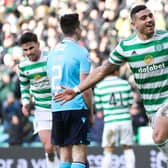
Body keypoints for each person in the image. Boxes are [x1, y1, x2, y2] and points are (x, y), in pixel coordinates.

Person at [54, 4, 168, 164]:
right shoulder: (126, 47)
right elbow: (102, 70)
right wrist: (76, 90)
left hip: (166, 100)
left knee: (158, 136)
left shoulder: (165, 38)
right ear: (133, 24)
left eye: (150, 16)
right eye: (144, 18)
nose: (149, 20)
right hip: (151, 106)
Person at [47, 13, 94, 168]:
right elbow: (85, 87)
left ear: (62, 29)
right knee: (79, 154)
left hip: (57, 107)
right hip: (76, 107)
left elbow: (49, 80)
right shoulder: (81, 52)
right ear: (77, 28)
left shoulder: (51, 53)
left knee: (65, 156)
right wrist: (91, 112)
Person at [18, 31, 59, 168]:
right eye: (25, 50)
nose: (29, 52)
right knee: (49, 148)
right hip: (41, 109)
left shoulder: (51, 58)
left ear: (38, 45)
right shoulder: (22, 66)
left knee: (61, 146)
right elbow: (24, 87)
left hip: (59, 105)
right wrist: (25, 103)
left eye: (31, 48)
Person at [94, 65, 135, 168]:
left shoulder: (100, 86)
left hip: (110, 121)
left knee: (108, 150)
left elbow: (99, 109)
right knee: (128, 148)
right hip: (125, 120)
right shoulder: (125, 84)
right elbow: (130, 103)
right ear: (117, 71)